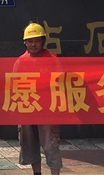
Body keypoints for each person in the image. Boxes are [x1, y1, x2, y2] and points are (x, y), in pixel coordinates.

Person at [16, 22, 62, 175]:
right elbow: (13, 85)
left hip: (48, 111)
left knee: (50, 146)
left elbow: (61, 83)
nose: (33, 44)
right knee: (30, 145)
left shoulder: (52, 60)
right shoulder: (20, 61)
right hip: (27, 110)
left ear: (43, 41)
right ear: (25, 43)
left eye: (37, 41)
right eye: (30, 41)